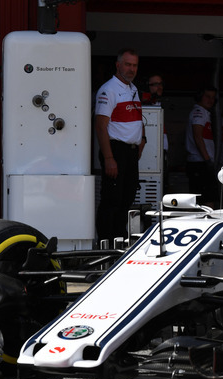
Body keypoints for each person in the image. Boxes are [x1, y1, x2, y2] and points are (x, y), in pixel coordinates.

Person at [94, 48, 146, 243]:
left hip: (130, 153)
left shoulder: (133, 89)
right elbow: (100, 126)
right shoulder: (109, 89)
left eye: (135, 65)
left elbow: (138, 120)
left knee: (127, 198)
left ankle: (119, 240)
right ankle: (106, 244)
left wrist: (140, 143)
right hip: (115, 151)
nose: (131, 69)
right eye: (128, 64)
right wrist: (109, 158)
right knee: (111, 200)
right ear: (118, 65)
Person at [185, 85, 221, 206]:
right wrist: (207, 160)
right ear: (200, 97)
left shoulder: (204, 113)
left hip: (202, 163)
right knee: (206, 201)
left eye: (213, 98)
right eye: (207, 97)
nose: (210, 100)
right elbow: (197, 136)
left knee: (208, 199)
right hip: (200, 163)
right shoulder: (199, 112)